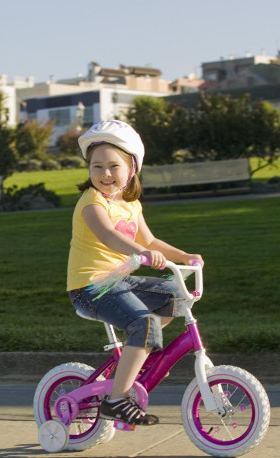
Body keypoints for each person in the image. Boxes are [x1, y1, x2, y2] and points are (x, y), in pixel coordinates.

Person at [67, 120, 202, 425]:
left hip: (119, 281)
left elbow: (151, 241)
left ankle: (139, 355)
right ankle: (115, 401)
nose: (104, 174)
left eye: (113, 166)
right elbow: (107, 235)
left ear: (131, 169)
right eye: (97, 166)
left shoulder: (131, 205)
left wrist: (184, 256)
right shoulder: (92, 203)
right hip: (91, 288)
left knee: (174, 294)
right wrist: (139, 253)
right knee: (145, 325)